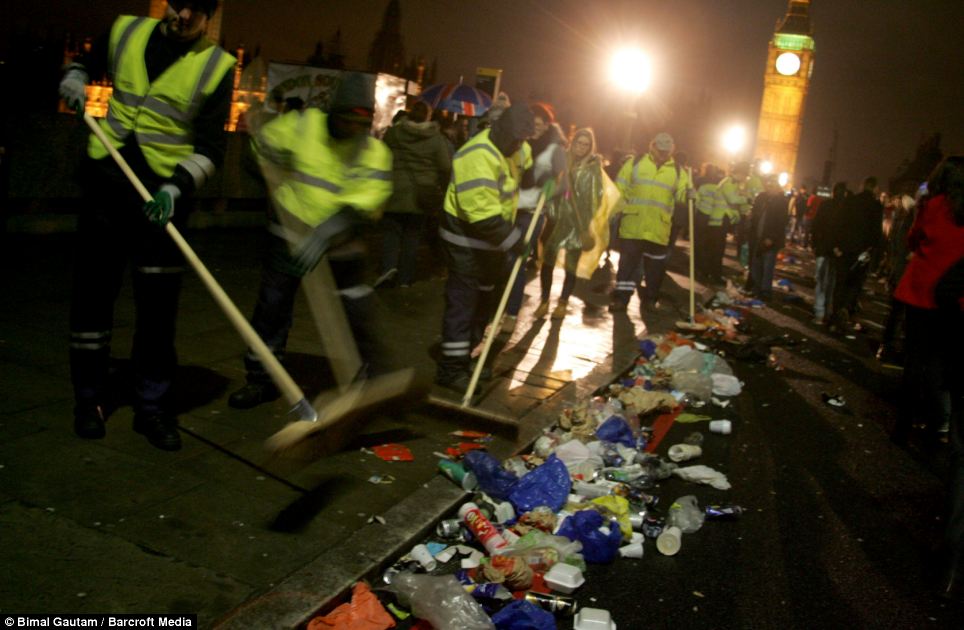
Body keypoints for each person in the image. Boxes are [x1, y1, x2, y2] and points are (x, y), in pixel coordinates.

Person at [59, 0, 235, 451]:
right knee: (92, 298)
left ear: (209, 15)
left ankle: (153, 408)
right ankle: (89, 401)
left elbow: (212, 149)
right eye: (178, 4)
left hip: (162, 200)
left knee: (157, 312)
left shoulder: (217, 66)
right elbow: (84, 62)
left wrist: (176, 188)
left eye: (196, 10)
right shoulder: (125, 31)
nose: (183, 15)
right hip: (106, 184)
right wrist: (75, 77)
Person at [227, 72, 392, 409]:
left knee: (356, 309)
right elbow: (258, 154)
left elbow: (368, 202)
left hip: (341, 244)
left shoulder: (374, 152)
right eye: (347, 121)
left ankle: (371, 382)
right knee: (272, 309)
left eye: (361, 125)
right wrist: (265, 163)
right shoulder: (302, 127)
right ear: (334, 113)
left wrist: (329, 231)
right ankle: (261, 378)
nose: (353, 130)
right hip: (289, 234)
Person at [888, 157, 964, 599]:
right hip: (951, 301)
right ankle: (936, 420)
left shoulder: (931, 204)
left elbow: (914, 238)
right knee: (938, 364)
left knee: (915, 362)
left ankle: (904, 424)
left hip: (921, 290)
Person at [435, 105, 534, 393]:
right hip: (465, 242)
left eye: (522, 140)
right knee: (463, 306)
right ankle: (450, 370)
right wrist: (515, 242)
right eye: (515, 140)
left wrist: (544, 177)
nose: (518, 146)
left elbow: (526, 164)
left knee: (483, 305)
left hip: (491, 246)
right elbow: (482, 215)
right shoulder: (476, 155)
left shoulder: (514, 148)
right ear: (501, 131)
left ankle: (469, 359)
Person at [502, 103, 567, 333]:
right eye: (532, 125)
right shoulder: (521, 143)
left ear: (547, 125)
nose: (535, 129)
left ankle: (511, 313)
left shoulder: (554, 150)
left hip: (531, 214)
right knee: (502, 260)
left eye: (539, 125)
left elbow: (564, 184)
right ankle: (498, 307)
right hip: (508, 209)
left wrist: (549, 188)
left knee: (516, 260)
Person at [609, 132, 688, 313]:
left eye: (666, 151)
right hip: (633, 225)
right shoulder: (635, 163)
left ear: (671, 150)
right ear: (652, 146)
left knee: (655, 270)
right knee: (627, 267)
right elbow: (620, 187)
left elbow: (682, 194)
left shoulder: (677, 171)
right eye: (659, 149)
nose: (662, 153)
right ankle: (621, 299)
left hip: (658, 229)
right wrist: (614, 211)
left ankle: (650, 300)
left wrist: (691, 194)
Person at [378, 100, 452, 288]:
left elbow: (382, 155)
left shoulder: (394, 133)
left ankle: (387, 269)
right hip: (421, 194)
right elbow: (445, 166)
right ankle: (405, 278)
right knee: (412, 236)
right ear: (428, 116)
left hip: (394, 190)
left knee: (391, 233)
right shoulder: (436, 138)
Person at [536, 127, 605, 320]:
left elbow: (596, 196)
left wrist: (585, 217)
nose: (581, 148)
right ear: (572, 142)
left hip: (577, 223)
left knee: (570, 266)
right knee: (547, 262)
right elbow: (548, 183)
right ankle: (544, 300)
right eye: (578, 143)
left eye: (586, 144)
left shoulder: (593, 167)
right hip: (555, 220)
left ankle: (563, 302)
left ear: (590, 147)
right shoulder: (561, 160)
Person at [827, 177, 883, 332]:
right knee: (855, 283)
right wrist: (872, 252)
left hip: (844, 249)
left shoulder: (851, 201)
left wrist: (835, 246)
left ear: (863, 185)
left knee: (840, 283)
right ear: (875, 188)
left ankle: (835, 314)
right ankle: (846, 308)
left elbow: (838, 223)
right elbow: (876, 233)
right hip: (862, 252)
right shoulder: (876, 206)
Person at [746, 175, 789, 301]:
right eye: (769, 184)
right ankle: (756, 289)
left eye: (773, 185)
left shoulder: (781, 201)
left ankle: (765, 292)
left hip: (770, 239)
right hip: (757, 237)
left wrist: (772, 237)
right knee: (756, 265)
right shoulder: (762, 197)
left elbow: (781, 222)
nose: (770, 187)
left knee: (767, 266)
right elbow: (754, 214)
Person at [810, 182, 847, 324]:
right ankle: (828, 311)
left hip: (823, 248)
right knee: (832, 283)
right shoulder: (846, 208)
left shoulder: (826, 205)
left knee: (820, 281)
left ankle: (819, 312)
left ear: (833, 192)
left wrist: (815, 244)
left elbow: (816, 225)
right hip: (837, 251)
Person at [716, 161, 751, 273]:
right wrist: (747, 199)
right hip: (720, 217)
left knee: (719, 246)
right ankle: (713, 272)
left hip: (722, 217)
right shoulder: (729, 182)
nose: (745, 178)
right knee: (717, 247)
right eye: (745, 175)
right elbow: (732, 199)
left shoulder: (733, 183)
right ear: (740, 173)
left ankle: (715, 271)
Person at [694, 163, 724, 284]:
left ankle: (699, 269)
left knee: (700, 244)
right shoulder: (719, 184)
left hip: (701, 216)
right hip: (713, 218)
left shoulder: (700, 181)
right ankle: (706, 270)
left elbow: (696, 199)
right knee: (709, 246)